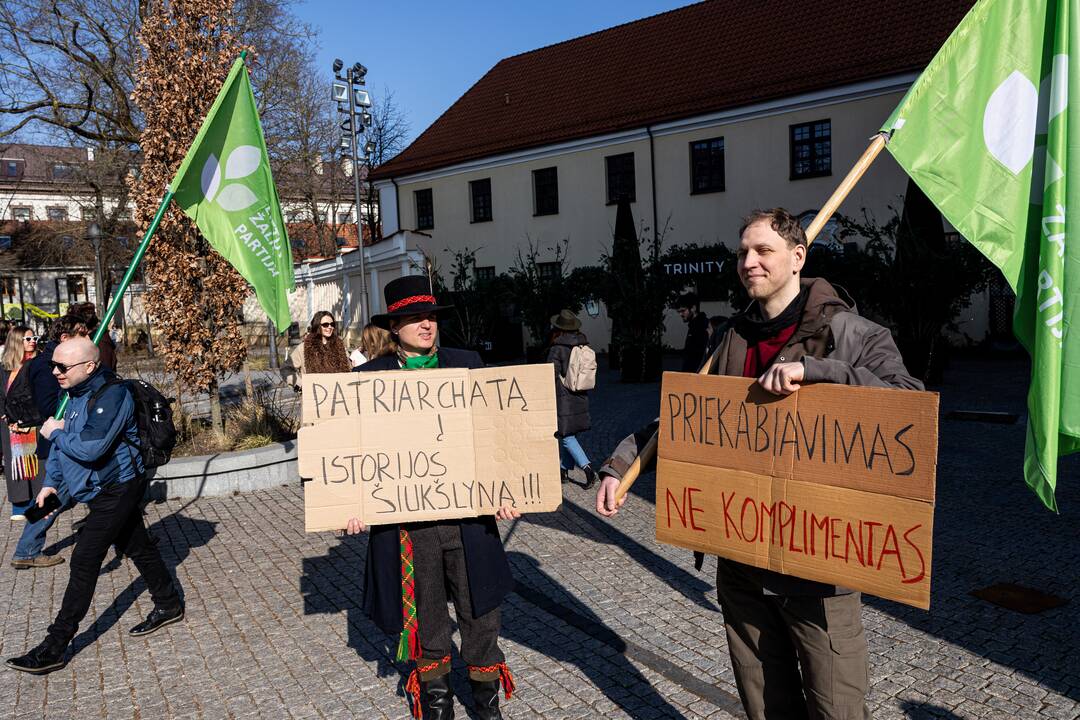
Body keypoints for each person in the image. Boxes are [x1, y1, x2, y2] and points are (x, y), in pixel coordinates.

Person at [595, 208, 922, 720]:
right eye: (743, 251)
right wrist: (622, 465)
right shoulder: (729, 337)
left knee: (836, 707)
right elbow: (686, 419)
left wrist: (818, 372)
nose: (749, 261)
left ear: (798, 257)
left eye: (763, 250)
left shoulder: (853, 333)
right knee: (764, 704)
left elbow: (908, 405)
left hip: (819, 563)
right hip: (742, 561)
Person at [348, 275, 519, 720]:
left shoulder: (468, 365)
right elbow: (349, 452)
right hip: (410, 524)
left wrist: (507, 487)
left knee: (480, 611)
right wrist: (350, 503)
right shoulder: (368, 380)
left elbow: (498, 437)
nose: (427, 324)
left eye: (431, 316)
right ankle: (437, 702)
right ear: (395, 326)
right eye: (414, 317)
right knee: (425, 617)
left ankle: (485, 704)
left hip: (469, 518)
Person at [5, 336, 184, 675]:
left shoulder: (113, 395)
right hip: (94, 490)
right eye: (52, 364)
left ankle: (54, 646)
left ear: (89, 366)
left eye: (62, 366)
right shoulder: (71, 394)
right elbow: (61, 451)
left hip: (117, 489)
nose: (55, 371)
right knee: (138, 546)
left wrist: (55, 432)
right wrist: (50, 483)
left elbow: (90, 448)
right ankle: (169, 603)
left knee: (84, 558)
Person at [8, 314, 81, 569]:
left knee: (109, 491)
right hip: (60, 443)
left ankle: (127, 536)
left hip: (70, 441)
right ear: (65, 338)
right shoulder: (46, 365)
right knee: (50, 498)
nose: (86, 340)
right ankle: (26, 549)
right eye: (81, 335)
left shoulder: (57, 360)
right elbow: (49, 407)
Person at [546, 309, 596, 489]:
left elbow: (549, 374)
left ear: (558, 329)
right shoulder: (582, 345)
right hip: (580, 396)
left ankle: (588, 469)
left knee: (565, 435)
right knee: (569, 433)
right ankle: (564, 470)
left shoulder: (557, 348)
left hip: (563, 399)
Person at [1, 326, 40, 522]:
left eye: (34, 337)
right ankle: (21, 505)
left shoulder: (39, 364)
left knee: (39, 463)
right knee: (15, 464)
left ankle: (41, 503)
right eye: (28, 338)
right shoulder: (5, 368)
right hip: (11, 426)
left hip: (35, 423)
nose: (33, 341)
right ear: (17, 342)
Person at [281, 311, 351, 391]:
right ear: (317, 326)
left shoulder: (340, 346)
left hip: (338, 395)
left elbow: (348, 369)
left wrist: (353, 362)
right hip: (314, 397)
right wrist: (300, 385)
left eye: (332, 324)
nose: (330, 327)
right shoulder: (303, 348)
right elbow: (285, 368)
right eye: (325, 325)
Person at [67, 301, 117, 371]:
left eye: (71, 325)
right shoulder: (86, 341)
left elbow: (104, 373)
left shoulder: (100, 343)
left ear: (80, 326)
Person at [675, 291, 710, 372]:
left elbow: (699, 356)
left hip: (696, 376)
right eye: (679, 312)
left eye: (683, 311)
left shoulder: (701, 326)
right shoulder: (695, 325)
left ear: (693, 308)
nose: (681, 314)